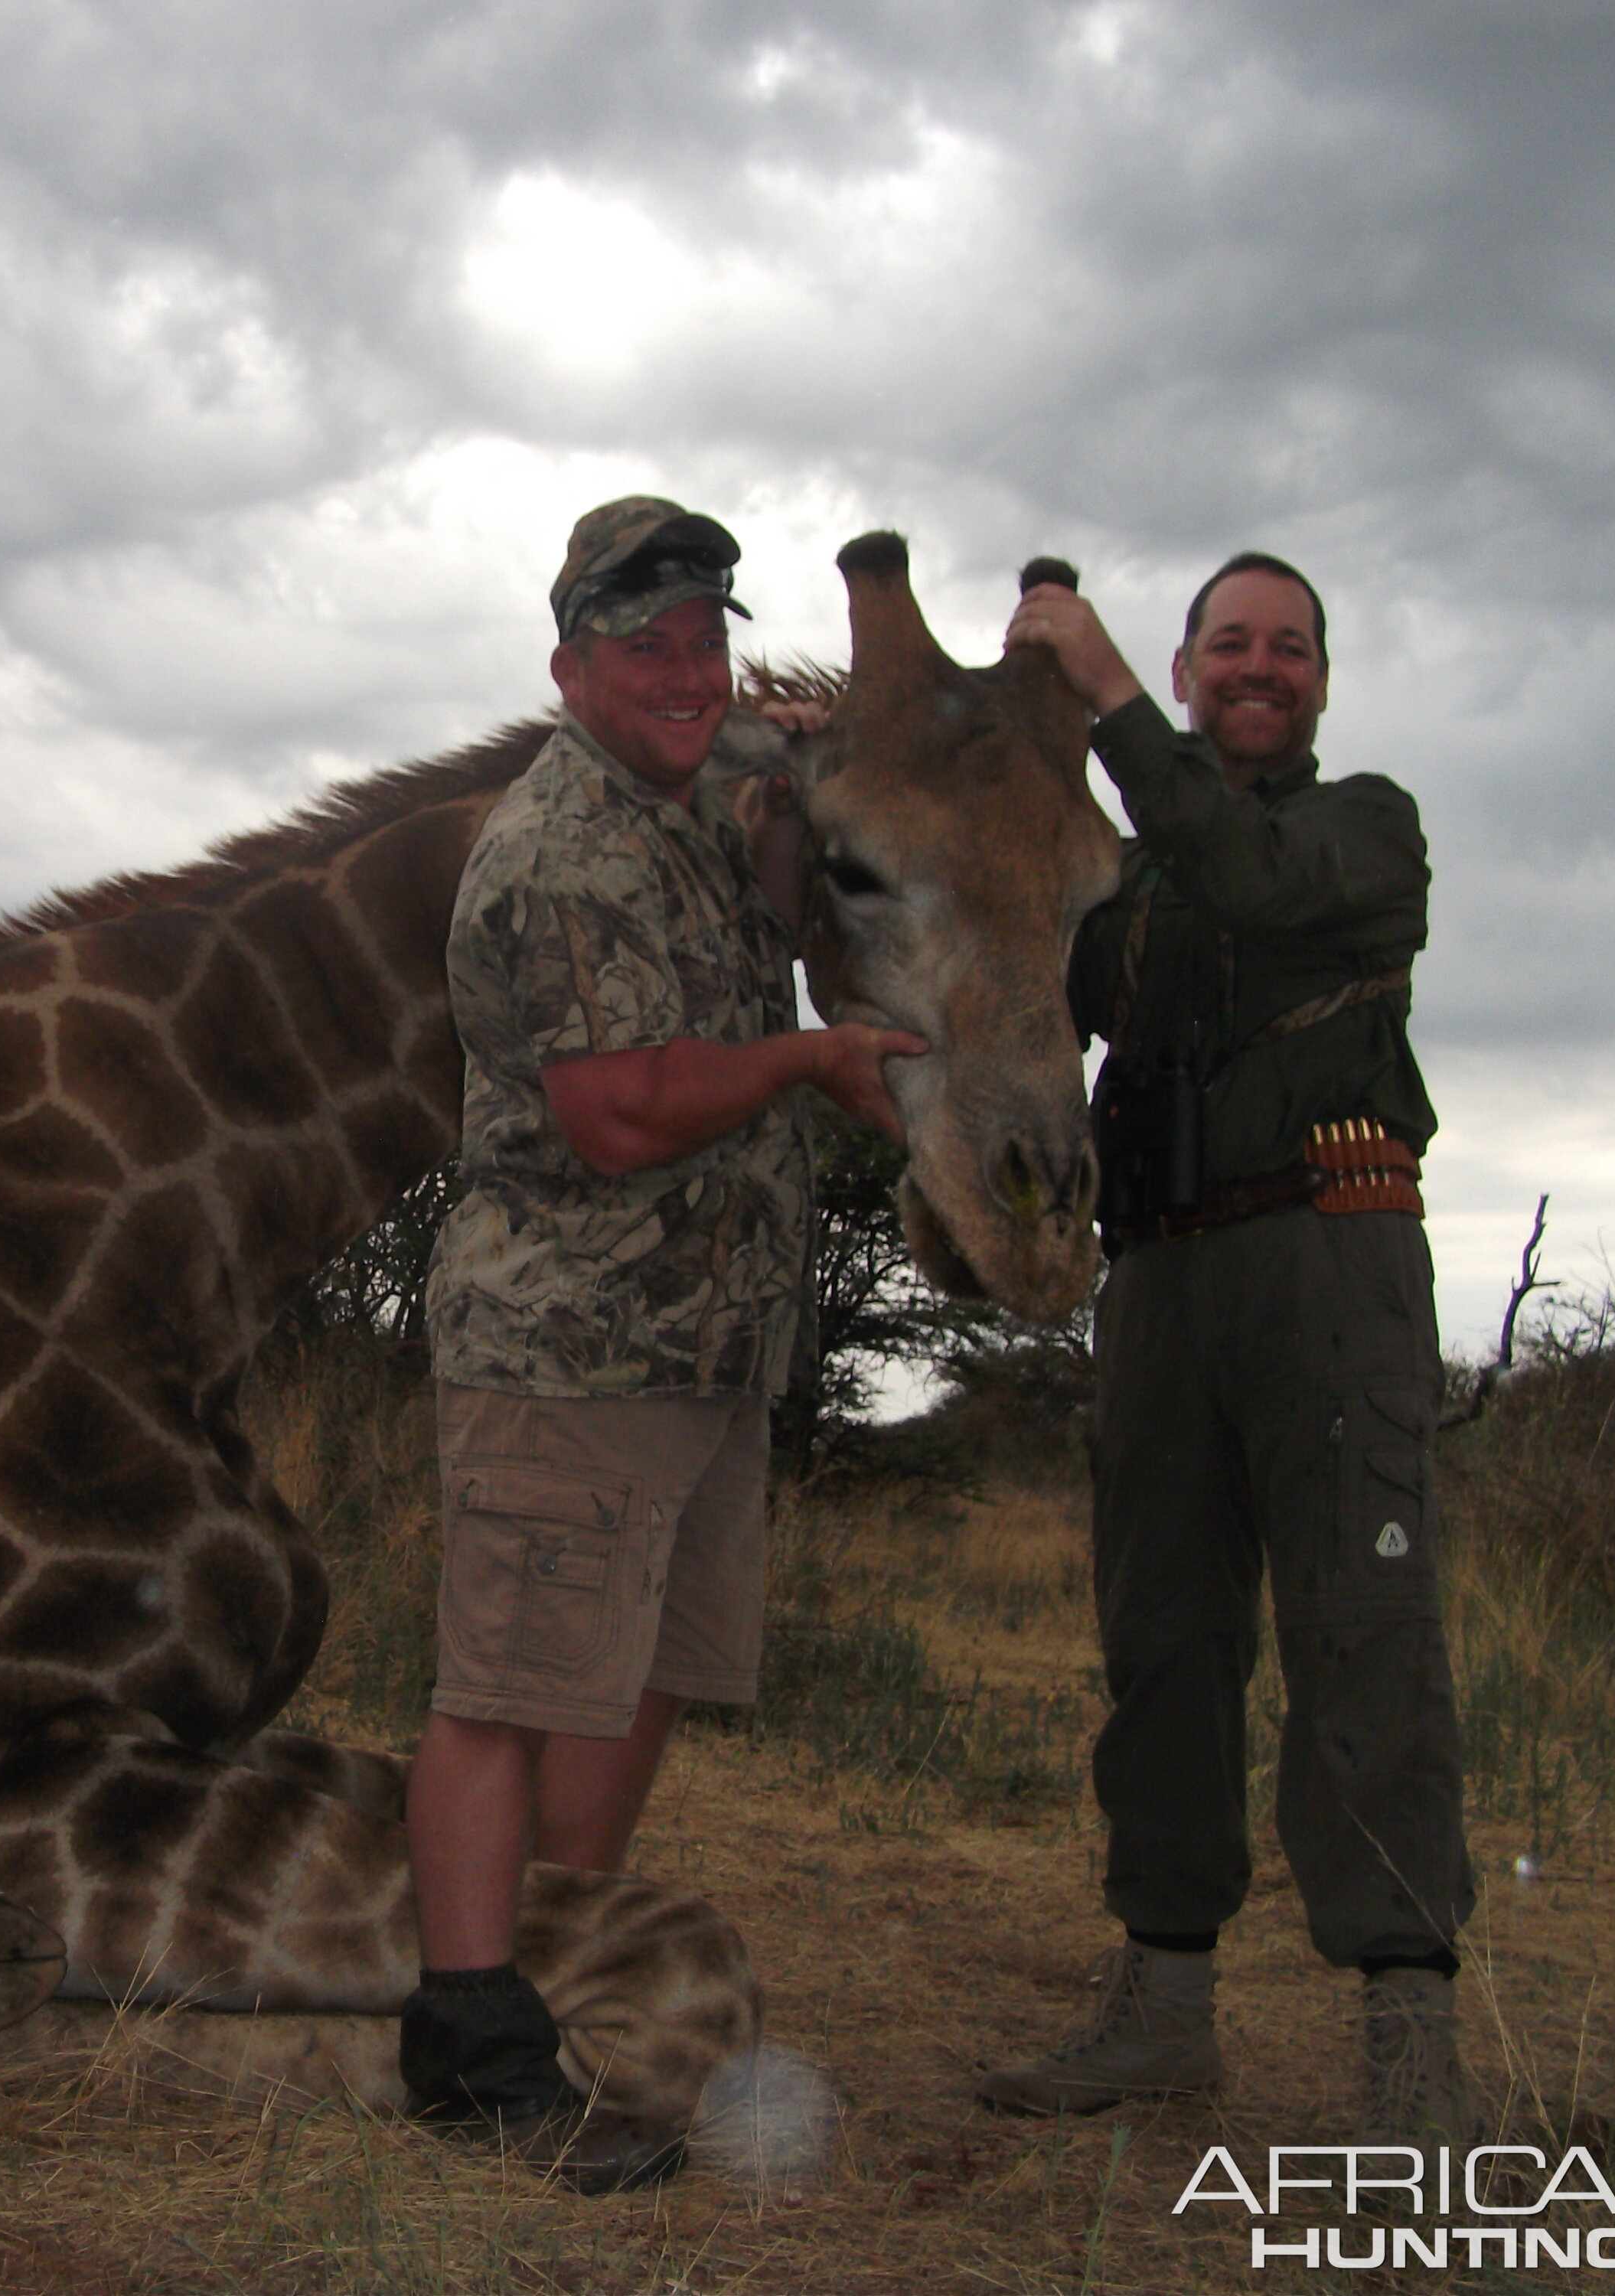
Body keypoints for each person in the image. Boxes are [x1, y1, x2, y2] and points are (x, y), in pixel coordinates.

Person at [398, 497, 921, 2190]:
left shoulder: (681, 801)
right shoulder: (559, 851)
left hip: (697, 1347)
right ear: (569, 669)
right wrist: (804, 1059)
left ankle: (559, 1972)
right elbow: (618, 1115)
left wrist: (795, 810)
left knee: (634, 1678)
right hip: (569, 1354)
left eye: (703, 639)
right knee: (502, 1694)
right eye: (647, 649)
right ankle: (468, 2046)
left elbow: (759, 918)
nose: (687, 671)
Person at [977, 555, 1477, 2146]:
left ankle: (1406, 2050)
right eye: (1226, 646)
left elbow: (1249, 878)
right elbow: (1016, 973)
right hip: (1162, 1283)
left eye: (1286, 647)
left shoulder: (1363, 830)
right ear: (1198, 673)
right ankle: (1160, 2007)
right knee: (1163, 1642)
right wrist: (1019, 739)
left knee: (1363, 1630)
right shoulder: (1127, 882)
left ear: (1317, 682)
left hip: (1331, 1252)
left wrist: (1106, 691)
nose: (1257, 667)